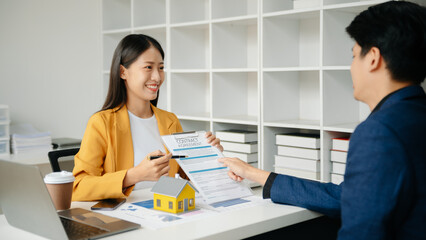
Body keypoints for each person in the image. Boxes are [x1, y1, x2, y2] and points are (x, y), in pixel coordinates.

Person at [219, 1, 426, 239]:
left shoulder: (379, 132)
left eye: (354, 56)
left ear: (373, 58)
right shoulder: (415, 116)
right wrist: (253, 173)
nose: (351, 67)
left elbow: (361, 233)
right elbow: (346, 197)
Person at [72, 34, 223, 201]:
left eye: (160, 68)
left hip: (166, 213)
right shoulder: (102, 123)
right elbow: (78, 187)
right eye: (148, 67)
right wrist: (134, 175)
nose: (157, 77)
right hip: (124, 217)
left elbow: (190, 177)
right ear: (123, 72)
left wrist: (211, 156)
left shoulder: (170, 121)